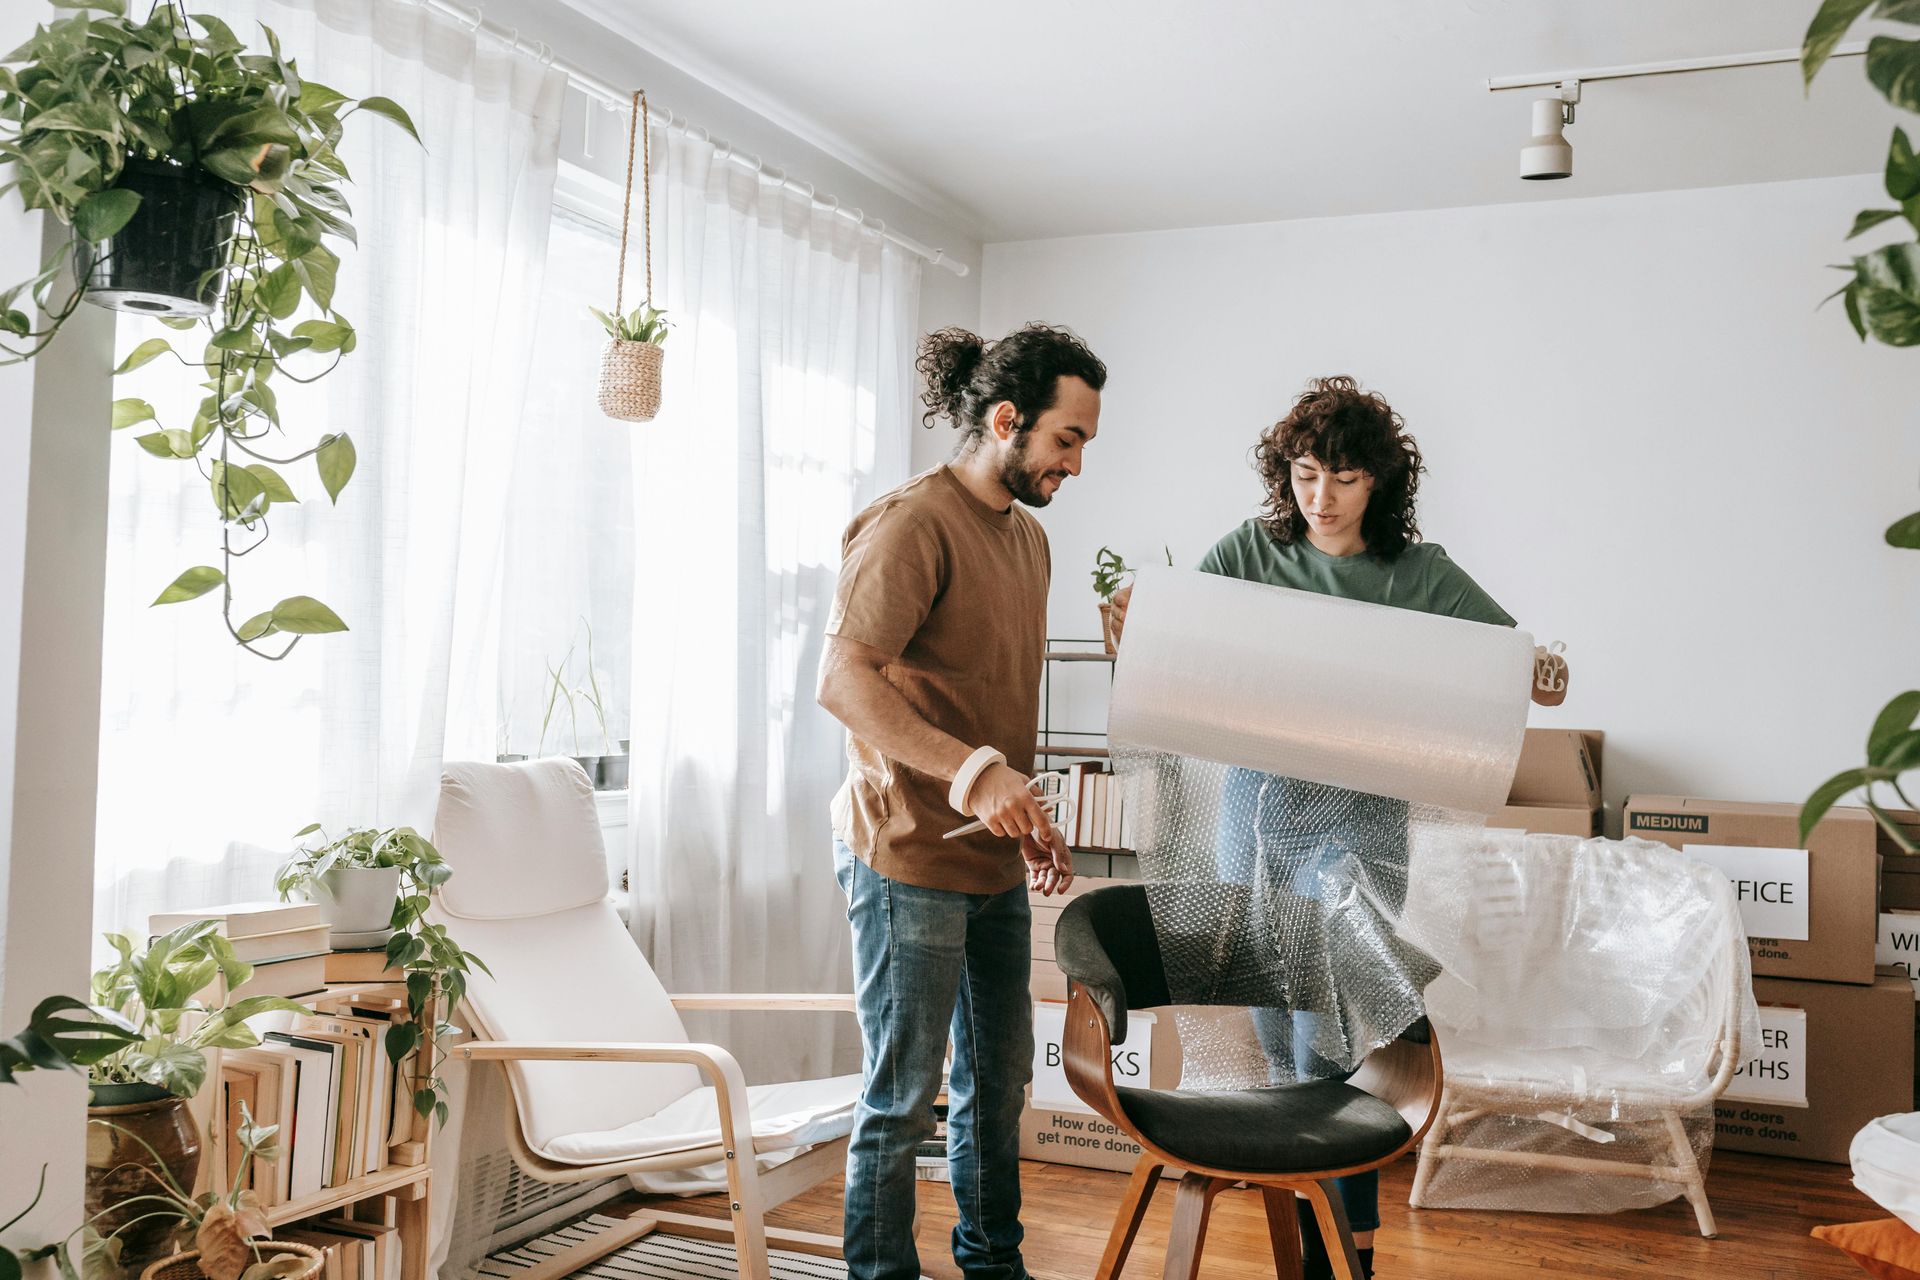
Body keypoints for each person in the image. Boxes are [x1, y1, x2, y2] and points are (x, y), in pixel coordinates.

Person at [1108, 374, 1562, 1280]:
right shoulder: (1251, 549)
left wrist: (1541, 668)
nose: (1321, 497)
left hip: (1361, 822)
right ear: (1286, 473)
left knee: (1339, 1025)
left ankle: (1345, 1238)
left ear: (1379, 484)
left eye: (1344, 479)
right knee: (1274, 1019)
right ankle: (1298, 1215)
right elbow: (1180, 648)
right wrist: (1134, 627)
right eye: (1307, 473)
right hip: (1257, 809)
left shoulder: (1416, 573)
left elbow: (1507, 663)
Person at [816, 323, 1107, 1280]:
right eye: (1066, 440)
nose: (1074, 464)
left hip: (988, 862)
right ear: (1006, 419)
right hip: (907, 858)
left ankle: (993, 1264)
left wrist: (1026, 816)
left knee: (998, 1085)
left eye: (1083, 446)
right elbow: (846, 682)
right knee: (903, 1097)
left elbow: (983, 696)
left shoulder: (1028, 541)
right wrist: (976, 772)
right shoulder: (911, 523)